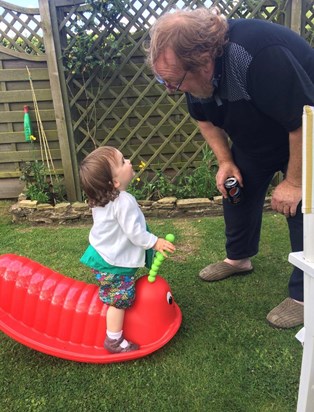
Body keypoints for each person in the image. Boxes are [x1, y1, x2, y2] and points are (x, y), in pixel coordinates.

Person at [145, 7, 314, 328]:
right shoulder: (191, 76)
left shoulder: (258, 55)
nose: (171, 89)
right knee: (236, 188)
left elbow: (303, 121)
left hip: (306, 128)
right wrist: (225, 161)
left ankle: (305, 295)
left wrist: (294, 182)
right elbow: (204, 118)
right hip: (260, 132)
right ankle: (238, 259)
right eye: (162, 80)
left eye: (174, 81)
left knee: (304, 207)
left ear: (205, 60)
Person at [79, 146, 175, 353]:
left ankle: (108, 294)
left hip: (101, 253)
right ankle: (113, 340)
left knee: (116, 292)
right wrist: (155, 242)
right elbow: (135, 233)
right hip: (112, 262)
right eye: (123, 162)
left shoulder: (101, 198)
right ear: (114, 182)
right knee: (120, 299)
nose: (129, 161)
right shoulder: (123, 201)